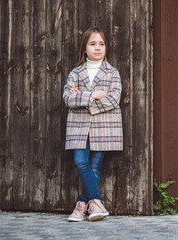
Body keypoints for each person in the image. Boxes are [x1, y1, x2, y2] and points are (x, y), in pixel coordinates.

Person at [63, 27, 123, 222]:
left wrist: (81, 98)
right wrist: (92, 96)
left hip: (104, 126)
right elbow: (68, 99)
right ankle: (96, 202)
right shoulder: (75, 73)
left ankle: (81, 205)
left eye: (102, 44)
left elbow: (113, 100)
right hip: (79, 126)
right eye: (92, 43)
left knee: (95, 166)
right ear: (84, 48)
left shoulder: (112, 73)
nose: (98, 48)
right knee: (81, 162)